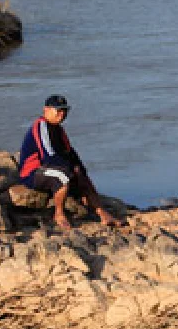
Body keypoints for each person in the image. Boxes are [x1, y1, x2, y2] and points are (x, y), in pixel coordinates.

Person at [18, 95, 120, 231]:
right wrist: (71, 169)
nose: (62, 114)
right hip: (33, 172)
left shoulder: (59, 130)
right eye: (58, 110)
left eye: (64, 111)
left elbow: (70, 152)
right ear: (46, 110)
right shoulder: (41, 126)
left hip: (51, 168)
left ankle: (102, 213)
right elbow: (48, 155)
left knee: (82, 176)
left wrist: (80, 170)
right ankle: (59, 214)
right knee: (63, 176)